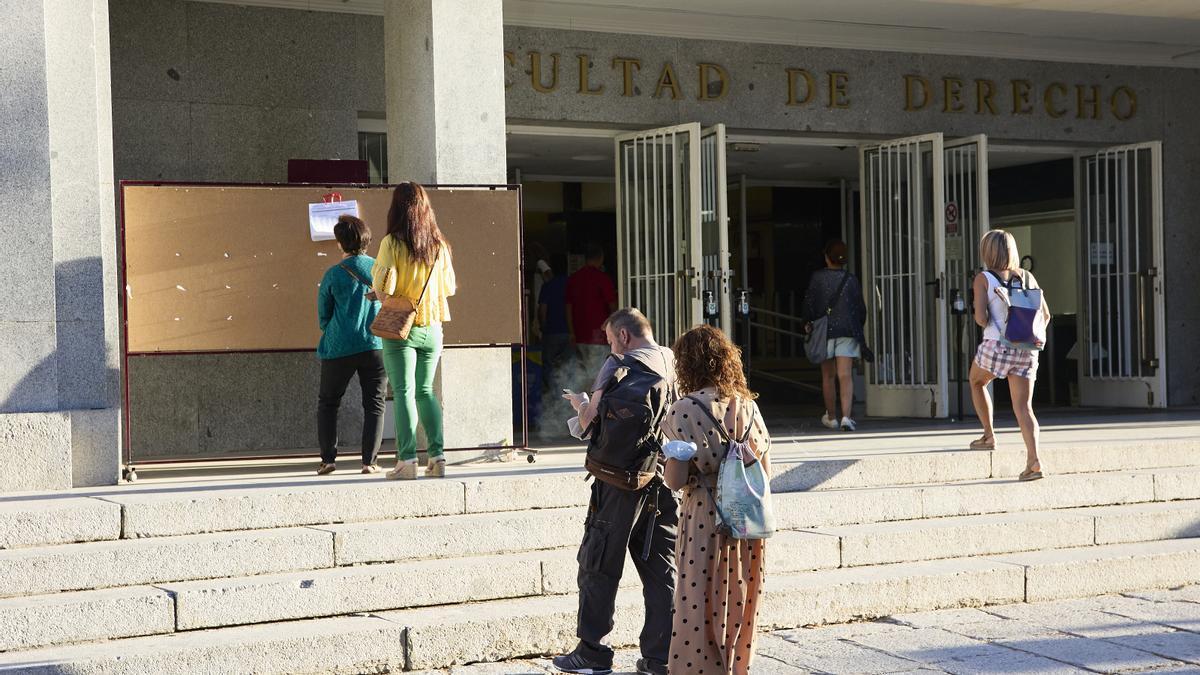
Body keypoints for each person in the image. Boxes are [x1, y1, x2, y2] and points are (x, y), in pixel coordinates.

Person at [554, 308, 679, 675]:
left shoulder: (618, 363)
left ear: (623, 336)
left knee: (598, 564)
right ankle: (659, 657)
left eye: (610, 338)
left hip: (617, 482)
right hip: (660, 478)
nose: (609, 345)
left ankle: (592, 652)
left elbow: (590, 421)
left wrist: (579, 405)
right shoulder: (671, 361)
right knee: (660, 569)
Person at [661, 324, 772, 675]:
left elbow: (676, 480)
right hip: (746, 519)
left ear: (687, 366)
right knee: (740, 599)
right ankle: (737, 667)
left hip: (704, 517)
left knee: (698, 601)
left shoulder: (682, 411)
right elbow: (765, 472)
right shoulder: (750, 408)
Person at [371, 182, 457, 480]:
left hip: (401, 329)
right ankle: (438, 457)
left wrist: (383, 297)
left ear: (397, 207)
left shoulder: (391, 243)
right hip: (433, 327)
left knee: (405, 392)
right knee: (426, 392)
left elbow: (385, 287)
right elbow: (449, 288)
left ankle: (407, 460)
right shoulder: (440, 245)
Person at [969, 230, 1050, 481]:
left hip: (997, 346)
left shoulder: (984, 278)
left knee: (977, 380)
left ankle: (989, 435)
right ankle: (1034, 461)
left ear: (987, 251)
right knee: (1024, 407)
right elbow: (1045, 316)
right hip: (1027, 349)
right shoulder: (1028, 277)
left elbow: (982, 319)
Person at [315, 215, 387, 475]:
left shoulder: (333, 274)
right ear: (367, 240)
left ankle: (328, 460)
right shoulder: (379, 268)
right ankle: (370, 462)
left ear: (339, 243)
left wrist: (334, 329)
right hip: (375, 345)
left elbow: (324, 314)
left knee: (329, 402)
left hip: (338, 347)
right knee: (375, 403)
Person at [801, 240, 867, 431]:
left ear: (827, 258)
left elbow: (809, 304)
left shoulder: (818, 278)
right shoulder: (851, 280)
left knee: (828, 376)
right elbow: (860, 309)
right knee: (845, 375)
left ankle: (831, 417)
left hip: (825, 332)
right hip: (847, 331)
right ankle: (847, 417)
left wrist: (807, 322)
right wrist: (856, 327)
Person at [566, 242, 618, 392]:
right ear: (600, 258)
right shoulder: (602, 278)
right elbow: (612, 307)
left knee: (583, 374)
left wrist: (572, 332)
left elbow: (568, 308)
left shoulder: (573, 279)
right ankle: (594, 407)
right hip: (599, 336)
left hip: (579, 335)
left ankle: (583, 404)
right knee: (598, 375)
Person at [538, 255, 571, 388]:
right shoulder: (571, 284)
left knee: (549, 364)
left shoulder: (548, 286)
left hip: (551, 331)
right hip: (569, 332)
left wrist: (543, 327)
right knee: (567, 365)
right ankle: (566, 393)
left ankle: (552, 393)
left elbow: (542, 310)